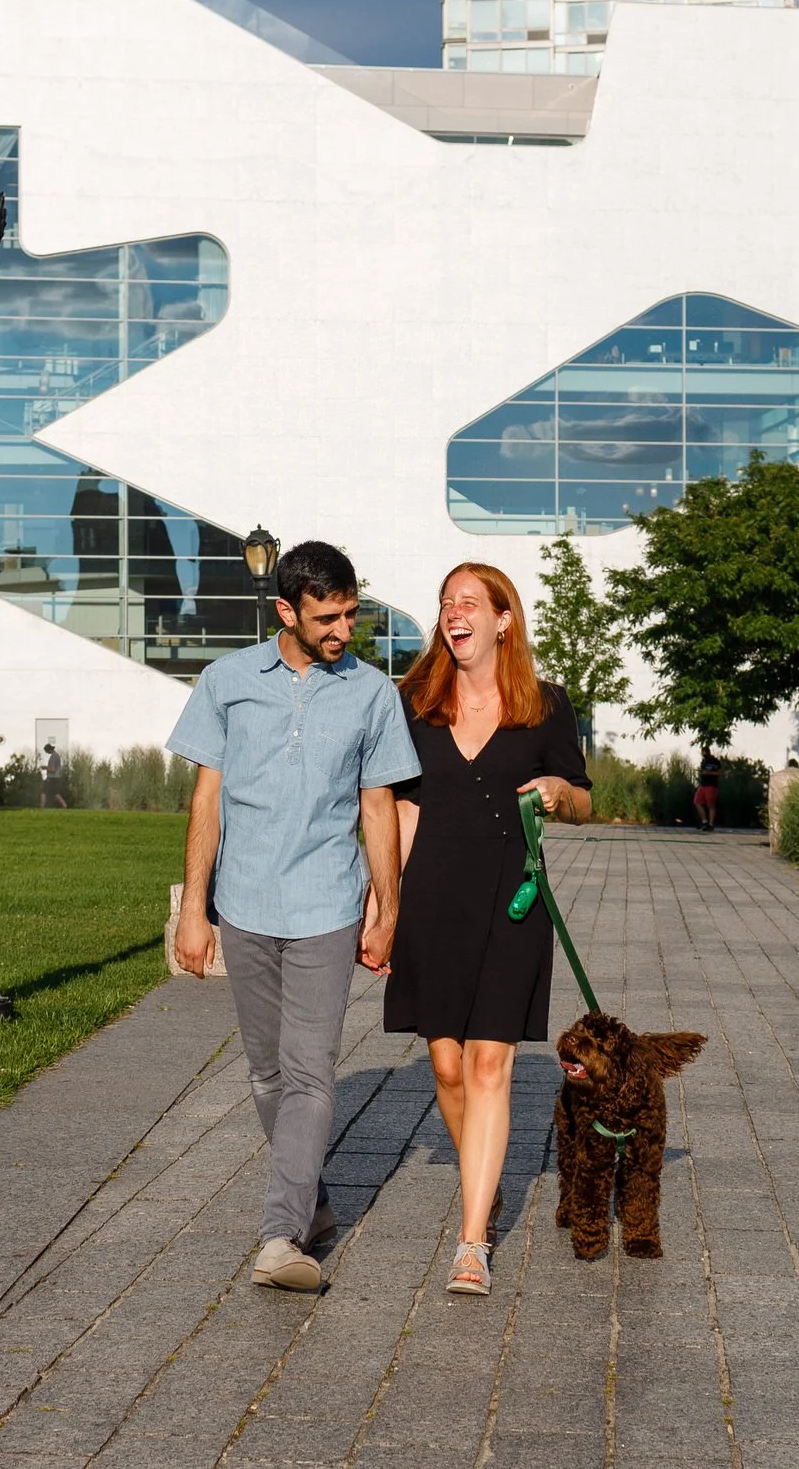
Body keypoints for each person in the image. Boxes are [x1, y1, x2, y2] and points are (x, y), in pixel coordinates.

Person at [168, 540, 418, 1293]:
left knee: (310, 1073)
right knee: (267, 1073)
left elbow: (379, 807)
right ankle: (311, 1203)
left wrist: (387, 910)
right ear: (287, 610)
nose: (344, 628)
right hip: (244, 903)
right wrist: (195, 911)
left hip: (326, 906)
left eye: (351, 612)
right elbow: (207, 801)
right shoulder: (228, 681)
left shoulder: (373, 694)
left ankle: (279, 1235)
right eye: (328, 616)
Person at [382, 562, 591, 1297]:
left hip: (513, 899)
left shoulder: (546, 706)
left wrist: (562, 790)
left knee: (489, 1063)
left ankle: (472, 1241)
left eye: (470, 601)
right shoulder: (416, 705)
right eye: (446, 602)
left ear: (505, 619)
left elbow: (584, 797)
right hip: (433, 896)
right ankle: (485, 1175)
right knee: (445, 1064)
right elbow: (402, 813)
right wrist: (385, 907)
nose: (454, 611)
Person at [692, 748, 724, 832]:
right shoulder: (703, 761)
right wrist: (701, 773)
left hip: (711, 786)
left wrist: (709, 773)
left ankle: (711, 824)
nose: (703, 754)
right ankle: (704, 821)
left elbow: (720, 773)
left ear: (708, 752)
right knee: (697, 802)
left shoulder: (715, 761)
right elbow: (702, 771)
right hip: (702, 785)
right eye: (702, 752)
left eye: (704, 752)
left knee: (711, 805)